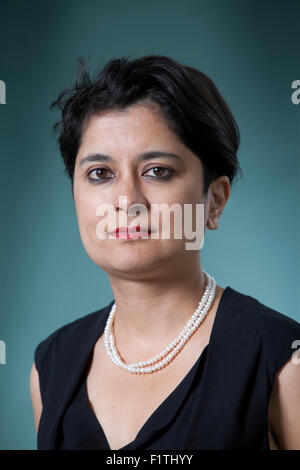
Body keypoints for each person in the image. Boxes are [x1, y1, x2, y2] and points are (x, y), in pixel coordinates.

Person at [30, 54, 300, 450]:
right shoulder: (50, 365)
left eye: (157, 170)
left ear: (215, 201)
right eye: (100, 174)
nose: (126, 200)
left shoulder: (283, 361)